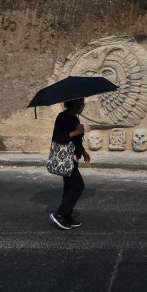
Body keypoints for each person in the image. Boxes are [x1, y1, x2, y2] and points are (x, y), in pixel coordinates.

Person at [49, 98, 91, 230]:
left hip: (74, 157)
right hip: (66, 158)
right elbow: (58, 136)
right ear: (76, 104)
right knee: (78, 186)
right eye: (81, 103)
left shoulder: (75, 118)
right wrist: (77, 132)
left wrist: (83, 151)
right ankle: (60, 214)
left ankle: (67, 216)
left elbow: (76, 141)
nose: (82, 106)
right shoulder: (62, 117)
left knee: (68, 187)